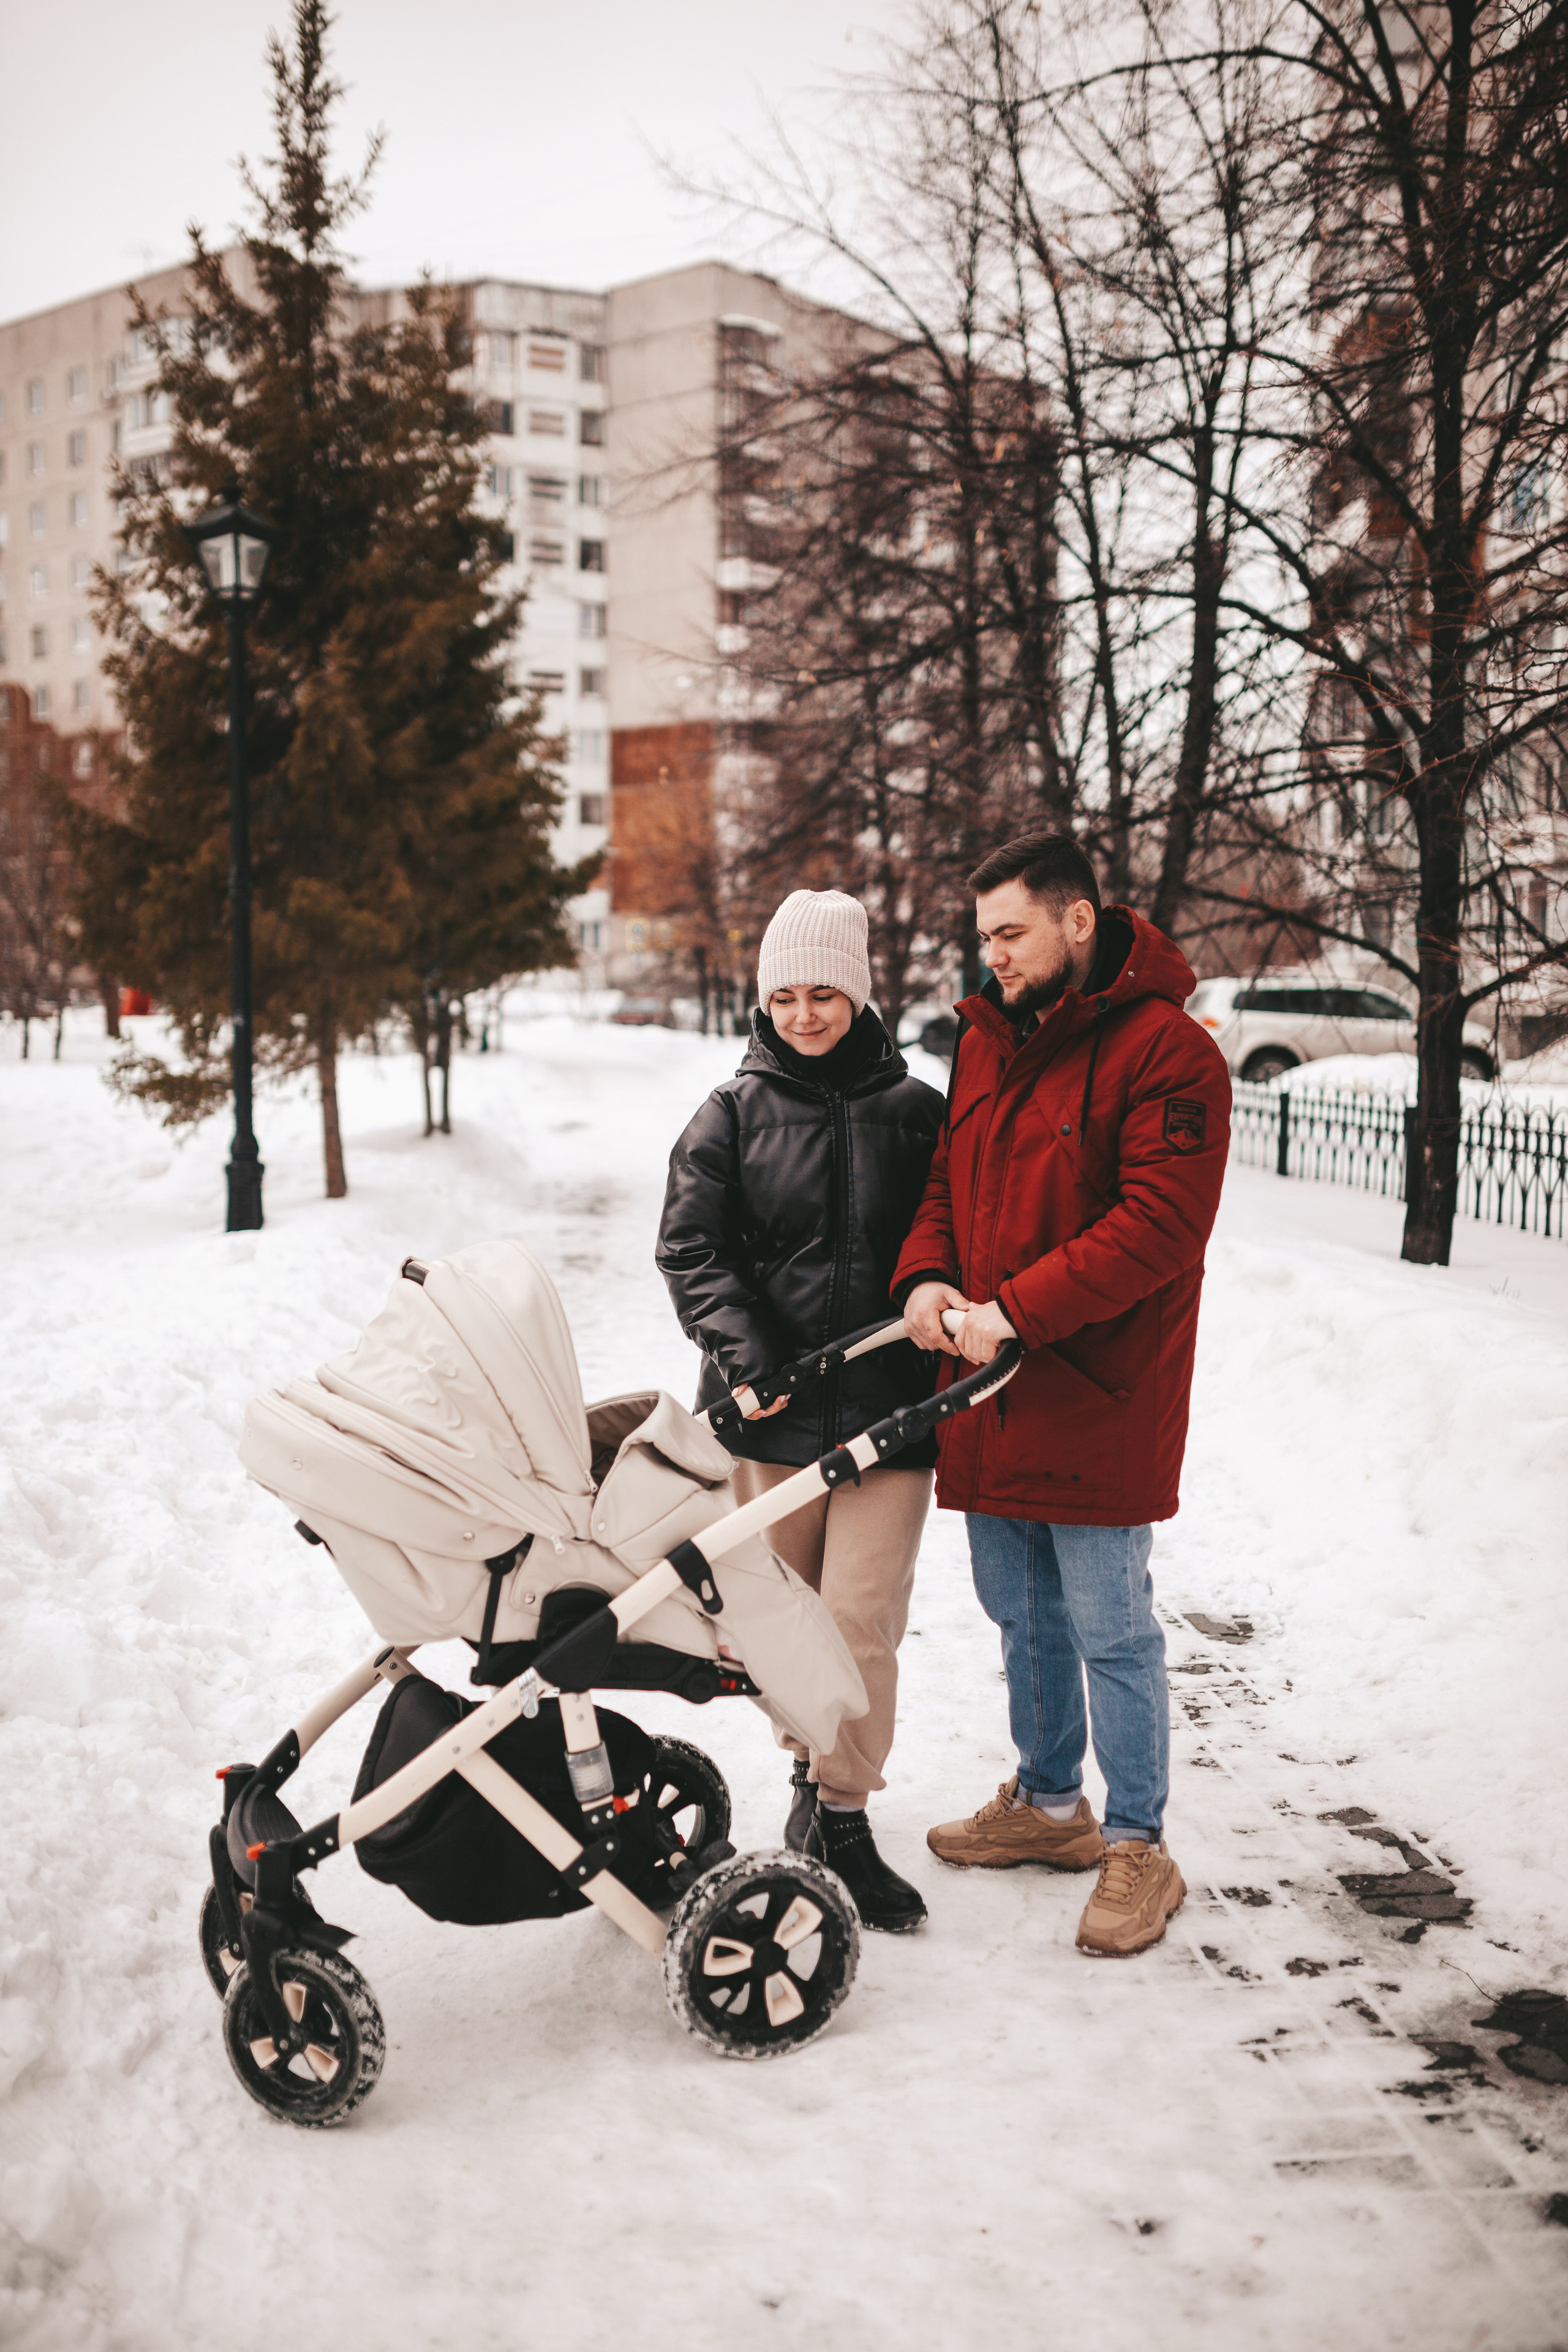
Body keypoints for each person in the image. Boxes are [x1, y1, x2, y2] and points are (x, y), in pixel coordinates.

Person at [892, 831, 1231, 1957]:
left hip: (1098, 1387)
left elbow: (1159, 1226)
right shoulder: (985, 1041)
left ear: (1078, 921)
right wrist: (929, 1276)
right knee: (1021, 1612)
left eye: (1010, 933)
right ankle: (1048, 1807)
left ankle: (1138, 1844)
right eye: (983, 936)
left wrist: (1017, 1311)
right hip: (990, 1381)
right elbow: (947, 1182)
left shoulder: (1170, 1052)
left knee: (1110, 1627)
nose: (991, 956)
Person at [657, 888, 944, 1933]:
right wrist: (750, 1356)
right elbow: (690, 1248)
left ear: (859, 993)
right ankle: (806, 1784)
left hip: (889, 1411)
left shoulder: (920, 1114)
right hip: (769, 1413)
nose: (804, 1014)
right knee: (785, 1623)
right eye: (784, 996)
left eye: (824, 993)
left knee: (862, 1621)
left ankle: (844, 1816)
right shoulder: (730, 1114)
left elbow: (950, 1236)